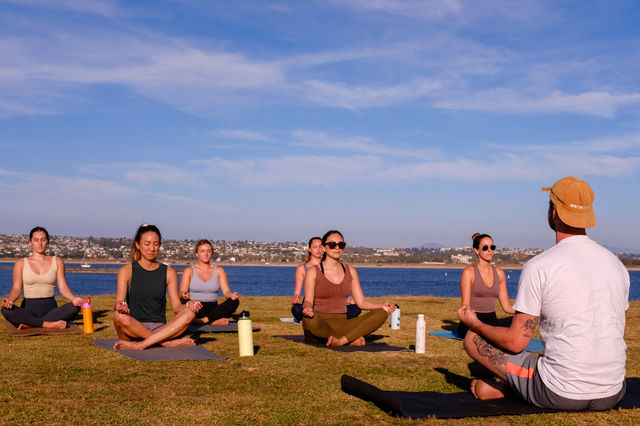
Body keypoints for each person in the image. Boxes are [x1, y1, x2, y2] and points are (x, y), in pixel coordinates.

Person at [458, 177, 629, 410]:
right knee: (542, 359)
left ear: (554, 212)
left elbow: (516, 342)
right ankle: (510, 387)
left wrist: (475, 324)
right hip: (613, 390)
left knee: (472, 340)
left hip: (560, 392)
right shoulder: (616, 265)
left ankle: (507, 389)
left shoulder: (540, 266)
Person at [301, 230, 395, 346]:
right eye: (332, 245)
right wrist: (307, 308)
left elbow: (361, 303)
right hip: (321, 322)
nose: (337, 248)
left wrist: (382, 305)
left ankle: (342, 340)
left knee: (381, 313)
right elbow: (308, 300)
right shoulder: (313, 271)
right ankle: (351, 338)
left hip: (343, 323)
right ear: (324, 248)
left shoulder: (351, 271)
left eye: (341, 245)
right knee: (309, 320)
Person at [112, 224, 198, 350]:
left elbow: (176, 307)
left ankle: (142, 345)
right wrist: (120, 306)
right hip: (133, 328)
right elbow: (119, 302)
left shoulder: (169, 272)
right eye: (147, 244)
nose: (152, 248)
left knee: (189, 314)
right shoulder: (126, 271)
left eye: (156, 244)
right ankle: (166, 343)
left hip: (160, 329)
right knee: (118, 315)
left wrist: (188, 306)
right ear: (138, 245)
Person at [1, 226, 84, 329]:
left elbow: (63, 288)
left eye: (43, 240)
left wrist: (74, 299)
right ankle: (47, 324)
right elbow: (16, 289)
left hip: (50, 308)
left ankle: (32, 324)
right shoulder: (21, 263)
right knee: (5, 310)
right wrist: (10, 300)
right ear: (30, 242)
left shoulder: (57, 261)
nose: (39, 243)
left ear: (47, 242)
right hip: (28, 308)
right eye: (36, 240)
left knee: (74, 307)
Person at [457, 233, 514, 338]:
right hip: (473, 321)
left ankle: (490, 333)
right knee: (483, 330)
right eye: (485, 248)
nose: (489, 250)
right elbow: (465, 306)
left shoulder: (500, 273)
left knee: (516, 321)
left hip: (491, 320)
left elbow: (507, 307)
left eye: (492, 247)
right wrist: (472, 319)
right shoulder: (469, 272)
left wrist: (525, 313)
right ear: (476, 250)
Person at [291, 236, 361, 322]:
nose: (318, 249)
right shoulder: (303, 268)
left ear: (324, 248)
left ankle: (329, 319)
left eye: (320, 246)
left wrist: (348, 300)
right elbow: (297, 293)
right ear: (309, 249)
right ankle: (308, 319)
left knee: (356, 308)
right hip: (312, 305)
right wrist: (296, 297)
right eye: (315, 247)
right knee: (296, 309)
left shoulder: (331, 266)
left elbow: (333, 292)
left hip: (333, 306)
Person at [179, 239, 239, 325]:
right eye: (202, 251)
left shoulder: (219, 270)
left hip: (212, 308)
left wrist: (232, 295)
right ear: (197, 254)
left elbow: (226, 292)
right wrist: (184, 295)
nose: (206, 254)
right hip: (196, 307)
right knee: (182, 301)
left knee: (235, 302)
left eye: (209, 251)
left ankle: (203, 321)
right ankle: (212, 320)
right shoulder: (189, 270)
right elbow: (182, 292)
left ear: (212, 253)